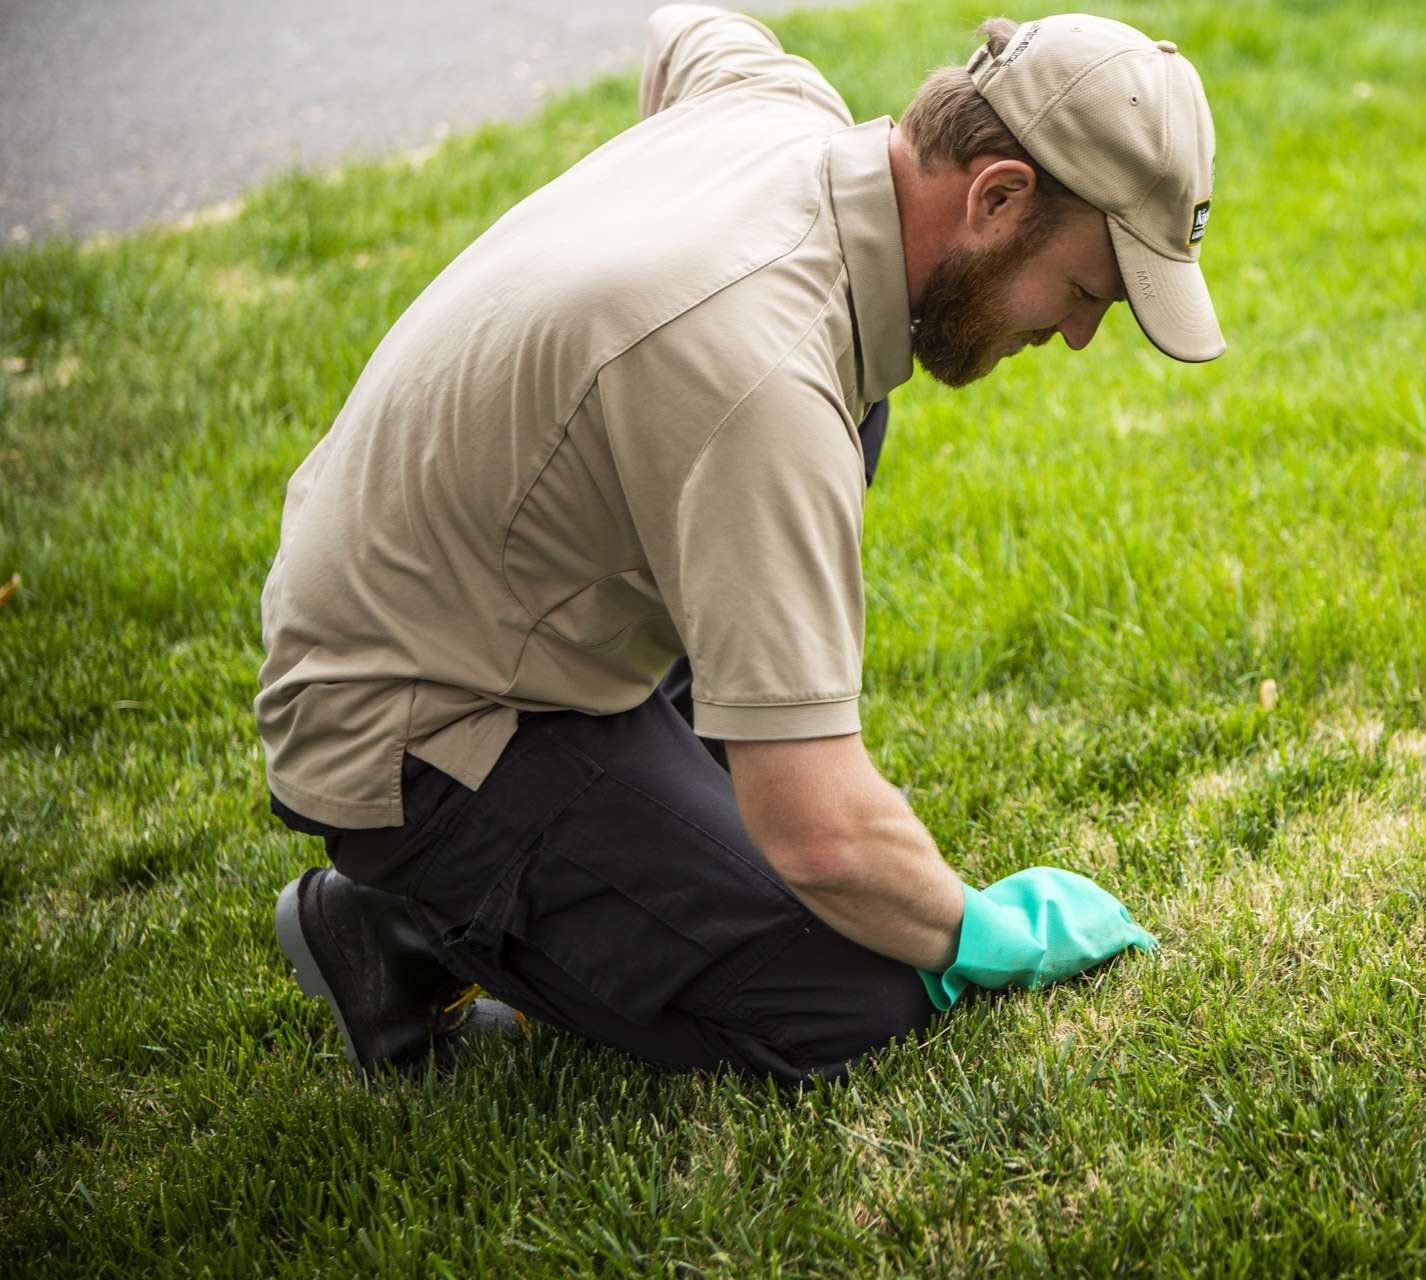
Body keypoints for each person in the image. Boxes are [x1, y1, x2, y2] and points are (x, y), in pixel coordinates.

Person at [261, 7, 1224, 1085]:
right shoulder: (760, 381)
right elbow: (819, 834)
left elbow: (694, 25)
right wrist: (985, 933)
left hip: (459, 596)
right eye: (1087, 290)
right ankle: (398, 924)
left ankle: (615, 811)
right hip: (415, 719)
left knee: (853, 407)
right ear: (997, 198)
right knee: (857, 998)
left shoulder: (783, 115)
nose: (1081, 333)